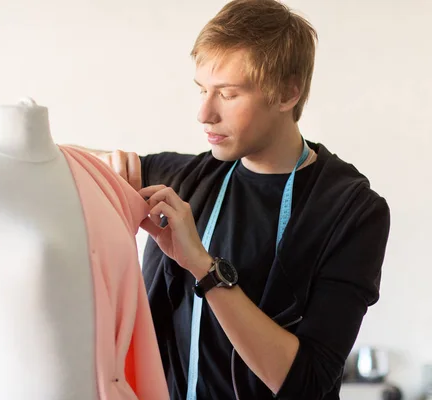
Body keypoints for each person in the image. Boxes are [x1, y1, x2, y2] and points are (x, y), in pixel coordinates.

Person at [76, 0, 391, 399]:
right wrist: (101, 162)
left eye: (227, 93)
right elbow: (48, 161)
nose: (204, 113)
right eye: (202, 90)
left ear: (287, 93)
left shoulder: (351, 211)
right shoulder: (186, 180)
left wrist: (203, 267)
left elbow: (306, 383)